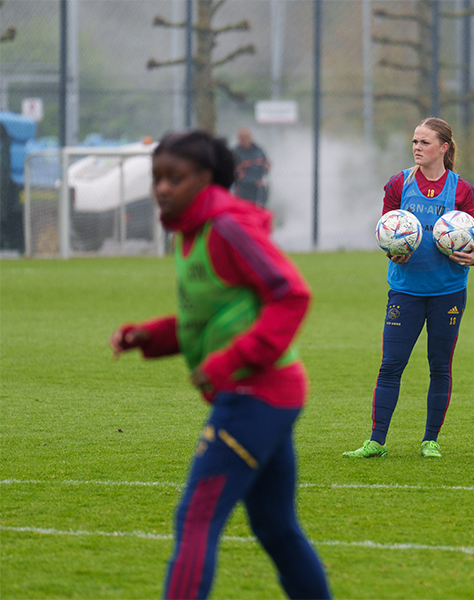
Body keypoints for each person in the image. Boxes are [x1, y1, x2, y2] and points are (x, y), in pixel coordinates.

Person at [109, 130, 331, 599]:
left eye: (176, 177)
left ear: (206, 180)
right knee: (275, 526)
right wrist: (148, 335)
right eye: (157, 178)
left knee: (196, 517)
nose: (163, 187)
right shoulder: (189, 234)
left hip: (255, 395)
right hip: (267, 395)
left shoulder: (227, 227)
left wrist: (230, 364)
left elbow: (292, 294)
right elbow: (209, 319)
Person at [343, 117, 474, 459]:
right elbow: (386, 230)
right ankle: (376, 441)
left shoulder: (461, 189)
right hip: (405, 290)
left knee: (439, 366)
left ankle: (430, 440)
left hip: (447, 291)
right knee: (391, 364)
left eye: (424, 142)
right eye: (414, 142)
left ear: (443, 148)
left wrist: (473, 257)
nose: (417, 148)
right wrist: (393, 251)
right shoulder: (398, 184)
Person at [232, 127, 270, 206]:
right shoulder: (235, 153)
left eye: (246, 138)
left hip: (257, 189)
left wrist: (265, 171)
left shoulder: (258, 151)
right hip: (242, 189)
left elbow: (266, 166)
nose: (243, 140)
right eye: (241, 138)